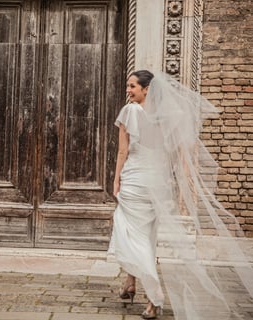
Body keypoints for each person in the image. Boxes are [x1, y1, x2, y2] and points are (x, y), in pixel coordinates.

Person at [108, 70, 253, 319]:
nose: (128, 91)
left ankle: (155, 298)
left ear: (147, 89)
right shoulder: (171, 118)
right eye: (128, 86)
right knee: (146, 236)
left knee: (131, 234)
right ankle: (130, 281)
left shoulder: (129, 112)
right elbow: (177, 155)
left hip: (134, 180)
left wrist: (116, 178)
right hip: (158, 182)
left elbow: (123, 152)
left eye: (132, 86)